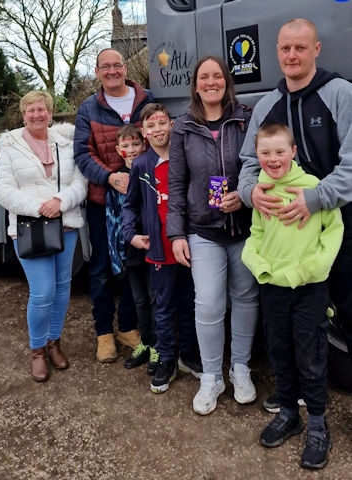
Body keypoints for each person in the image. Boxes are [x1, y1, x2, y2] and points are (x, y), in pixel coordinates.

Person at [238, 18, 352, 412]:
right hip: (285, 240)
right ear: (277, 52)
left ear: (316, 50)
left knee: (349, 314)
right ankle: (293, 400)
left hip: (340, 227)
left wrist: (315, 199)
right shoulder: (267, 105)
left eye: (300, 48)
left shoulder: (341, 94)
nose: (292, 55)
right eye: (285, 48)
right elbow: (248, 166)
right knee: (291, 329)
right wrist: (250, 193)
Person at [242, 123, 343, 470]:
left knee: (311, 355)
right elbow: (255, 235)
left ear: (293, 152)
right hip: (273, 288)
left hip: (309, 289)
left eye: (279, 151)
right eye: (265, 152)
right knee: (279, 351)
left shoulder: (314, 189)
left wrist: (305, 271)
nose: (273, 159)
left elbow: (334, 235)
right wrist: (259, 267)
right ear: (257, 155)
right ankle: (288, 413)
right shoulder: (261, 191)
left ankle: (317, 423)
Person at [167, 56, 259, 415]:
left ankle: (240, 368)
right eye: (204, 77)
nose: (210, 82)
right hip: (202, 231)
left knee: (246, 298)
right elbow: (176, 184)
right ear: (195, 84)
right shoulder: (183, 127)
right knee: (207, 304)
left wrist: (244, 195)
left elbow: (260, 166)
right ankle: (210, 376)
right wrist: (176, 234)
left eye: (217, 76)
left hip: (244, 229)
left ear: (226, 81)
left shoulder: (246, 118)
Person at [0, 91, 88, 382]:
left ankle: (53, 343)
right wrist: (42, 208)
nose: (37, 115)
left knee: (62, 288)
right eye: (31, 110)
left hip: (66, 225)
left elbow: (80, 181)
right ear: (23, 115)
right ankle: (37, 351)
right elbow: (4, 191)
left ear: (50, 113)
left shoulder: (66, 144)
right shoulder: (11, 148)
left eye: (42, 109)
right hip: (29, 228)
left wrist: (60, 201)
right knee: (43, 290)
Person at [73, 48, 155, 363]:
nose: (112, 71)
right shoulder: (89, 108)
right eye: (105, 67)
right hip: (103, 202)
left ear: (125, 68)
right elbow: (82, 153)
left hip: (142, 199)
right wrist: (110, 177)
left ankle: (128, 327)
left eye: (117, 65)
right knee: (102, 268)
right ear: (97, 72)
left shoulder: (146, 100)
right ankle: (104, 333)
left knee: (137, 263)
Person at [122, 103, 202, 394]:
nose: (158, 130)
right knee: (164, 307)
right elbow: (130, 204)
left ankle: (189, 356)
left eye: (162, 123)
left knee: (190, 302)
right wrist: (131, 233)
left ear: (172, 124)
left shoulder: (186, 157)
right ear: (143, 132)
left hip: (189, 247)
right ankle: (166, 359)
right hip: (158, 250)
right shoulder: (142, 165)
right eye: (151, 126)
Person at [106, 124, 157, 373]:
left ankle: (159, 347)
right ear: (118, 150)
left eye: (135, 144)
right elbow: (112, 222)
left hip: (155, 248)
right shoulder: (116, 183)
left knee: (157, 299)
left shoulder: (151, 171)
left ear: (144, 144)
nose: (132, 150)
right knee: (140, 301)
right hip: (131, 253)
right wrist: (117, 259)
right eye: (125, 146)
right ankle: (145, 344)